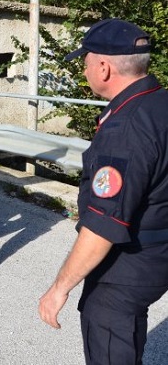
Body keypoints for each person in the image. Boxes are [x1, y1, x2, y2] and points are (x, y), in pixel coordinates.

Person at [38, 19, 168, 364]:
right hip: (159, 249)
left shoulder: (127, 126)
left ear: (104, 67)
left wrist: (59, 288)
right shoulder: (158, 102)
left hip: (132, 262)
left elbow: (102, 225)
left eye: (85, 63)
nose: (84, 71)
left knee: (108, 333)